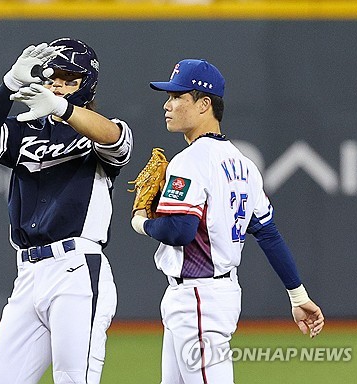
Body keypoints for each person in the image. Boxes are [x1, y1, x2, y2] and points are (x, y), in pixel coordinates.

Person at [130, 59, 324, 383]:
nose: (168, 105)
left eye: (178, 97)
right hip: (212, 295)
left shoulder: (189, 161)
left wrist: (140, 222)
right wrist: (298, 296)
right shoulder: (244, 164)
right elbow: (268, 233)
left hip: (198, 300)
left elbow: (179, 231)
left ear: (204, 104)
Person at [0, 38, 133, 384]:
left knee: (75, 380)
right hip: (28, 274)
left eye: (68, 78)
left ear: (86, 84)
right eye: (52, 76)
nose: (57, 84)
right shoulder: (26, 129)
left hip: (76, 269)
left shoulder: (95, 129)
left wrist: (62, 109)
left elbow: (114, 138)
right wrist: (8, 85)